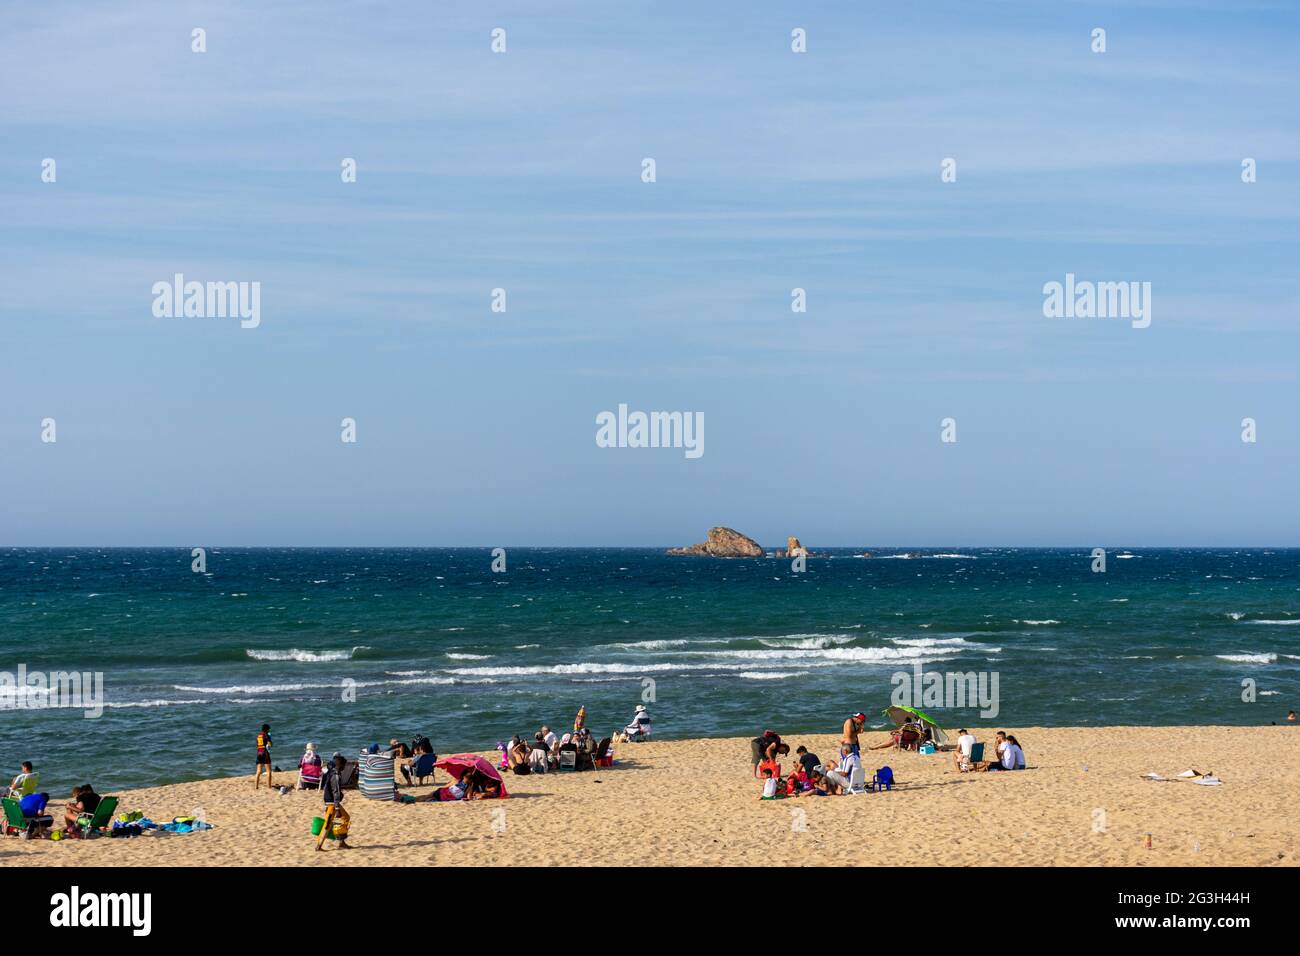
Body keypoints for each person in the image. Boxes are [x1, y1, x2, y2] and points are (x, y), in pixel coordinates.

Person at [316, 752, 351, 851]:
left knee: (345, 818)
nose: (344, 767)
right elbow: (336, 792)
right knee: (327, 825)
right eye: (343, 765)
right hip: (332, 803)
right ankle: (319, 846)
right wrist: (337, 808)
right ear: (340, 765)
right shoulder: (336, 775)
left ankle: (341, 842)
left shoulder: (331, 772)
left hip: (330, 801)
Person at [254, 724, 273, 789]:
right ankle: (269, 786)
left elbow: (257, 744)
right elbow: (270, 745)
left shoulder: (258, 736)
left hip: (259, 753)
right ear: (267, 729)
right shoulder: (266, 735)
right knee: (269, 771)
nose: (269, 730)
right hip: (265, 753)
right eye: (269, 729)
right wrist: (270, 739)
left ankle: (256, 786)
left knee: (258, 771)